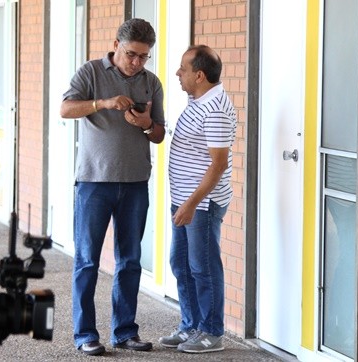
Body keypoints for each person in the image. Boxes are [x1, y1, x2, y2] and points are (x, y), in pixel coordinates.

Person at [60, 18, 165, 356]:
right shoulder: (91, 72)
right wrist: (102, 104)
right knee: (88, 261)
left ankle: (125, 332)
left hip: (135, 183)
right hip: (94, 183)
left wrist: (147, 124)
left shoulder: (152, 83)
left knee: (130, 260)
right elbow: (65, 108)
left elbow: (160, 133)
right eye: (132, 54)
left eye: (144, 57)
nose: (136, 62)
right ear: (117, 44)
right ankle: (85, 334)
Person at [159, 45, 237, 354]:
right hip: (186, 200)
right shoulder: (198, 100)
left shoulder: (215, 108)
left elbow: (218, 164)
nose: (178, 73)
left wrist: (191, 204)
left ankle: (211, 331)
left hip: (201, 204)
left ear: (199, 75)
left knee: (203, 267)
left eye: (183, 69)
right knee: (181, 263)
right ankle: (191, 325)